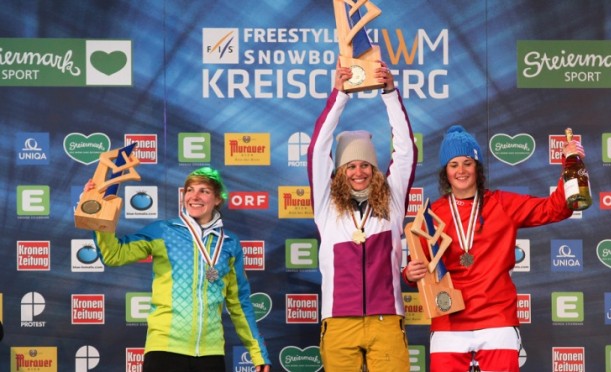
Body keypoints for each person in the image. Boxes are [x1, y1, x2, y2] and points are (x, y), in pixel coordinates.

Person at [403, 125, 585, 372]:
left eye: (467, 163)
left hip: (497, 318)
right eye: (453, 164)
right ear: (445, 172)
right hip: (448, 320)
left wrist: (570, 164)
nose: (461, 170)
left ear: (477, 168)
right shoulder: (431, 214)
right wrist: (409, 274)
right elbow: (419, 268)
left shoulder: (502, 204)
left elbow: (557, 208)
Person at [85, 167, 271, 372]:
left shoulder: (229, 243)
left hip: (211, 354)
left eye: (204, 191)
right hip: (165, 351)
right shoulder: (163, 231)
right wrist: (99, 212)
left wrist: (257, 352)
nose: (195, 196)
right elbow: (114, 254)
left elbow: (239, 303)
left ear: (217, 199)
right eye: (190, 190)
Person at [307, 60, 417, 372]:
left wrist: (390, 94)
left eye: (365, 165)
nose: (359, 172)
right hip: (339, 320)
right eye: (351, 166)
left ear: (375, 169)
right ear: (339, 173)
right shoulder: (327, 208)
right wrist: (339, 96)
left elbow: (406, 151)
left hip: (386, 320)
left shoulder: (392, 203)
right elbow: (317, 150)